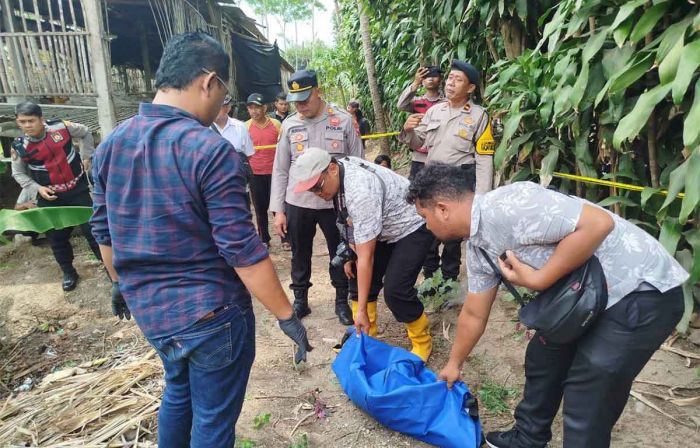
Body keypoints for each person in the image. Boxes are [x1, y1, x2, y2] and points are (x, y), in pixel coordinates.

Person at [90, 32, 311, 448]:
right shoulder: (210, 150)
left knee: (178, 391)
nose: (222, 102)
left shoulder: (111, 145)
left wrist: (119, 282)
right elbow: (241, 249)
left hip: (151, 313)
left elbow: (103, 232)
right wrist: (286, 316)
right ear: (209, 82)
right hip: (211, 314)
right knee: (212, 422)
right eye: (224, 91)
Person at [407, 163, 689, 448]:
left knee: (588, 391)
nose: (426, 226)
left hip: (640, 290)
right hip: (585, 298)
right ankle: (528, 438)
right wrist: (454, 364)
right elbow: (474, 312)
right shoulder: (479, 246)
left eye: (425, 216)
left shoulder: (512, 203)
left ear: (442, 209)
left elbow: (599, 224)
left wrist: (540, 278)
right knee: (544, 356)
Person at [294, 148, 435, 360]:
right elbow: (348, 218)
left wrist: (359, 310)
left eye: (318, 187)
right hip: (382, 228)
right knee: (355, 278)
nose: (317, 194)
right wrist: (350, 251)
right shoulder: (339, 173)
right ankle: (366, 338)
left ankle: (422, 341)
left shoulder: (361, 191)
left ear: (332, 169)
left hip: (411, 226)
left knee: (396, 291)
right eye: (311, 190)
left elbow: (366, 258)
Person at [270, 69, 364, 325]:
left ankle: (341, 300)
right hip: (298, 202)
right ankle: (300, 300)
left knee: (341, 251)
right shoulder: (289, 124)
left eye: (305, 98)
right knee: (300, 252)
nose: (300, 105)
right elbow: (280, 169)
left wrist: (355, 205)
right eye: (296, 100)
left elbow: (358, 162)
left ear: (318, 91)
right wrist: (278, 210)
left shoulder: (342, 121)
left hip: (335, 203)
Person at [400, 60, 496, 285]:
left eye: (458, 79)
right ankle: (430, 277)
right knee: (430, 229)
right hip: (432, 180)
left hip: (460, 181)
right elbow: (418, 142)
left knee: (454, 234)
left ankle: (450, 280)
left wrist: (481, 197)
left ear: (470, 88)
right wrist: (406, 131)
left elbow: (484, 158)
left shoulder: (480, 116)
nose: (451, 83)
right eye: (450, 78)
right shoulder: (434, 112)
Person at [11, 101, 102, 291]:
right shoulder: (20, 146)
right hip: (50, 195)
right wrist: (37, 188)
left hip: (77, 189)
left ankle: (111, 270)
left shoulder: (61, 127)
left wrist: (87, 155)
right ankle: (69, 272)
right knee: (56, 237)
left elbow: (85, 132)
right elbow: (18, 173)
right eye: (22, 122)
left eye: (31, 121)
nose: (27, 126)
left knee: (93, 231)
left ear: (41, 119)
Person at [245, 92, 287, 250]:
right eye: (250, 108)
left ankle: (285, 238)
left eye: (257, 107)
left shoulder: (276, 124)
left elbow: (284, 147)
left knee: (279, 206)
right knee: (260, 209)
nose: (254, 111)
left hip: (275, 173)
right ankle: (264, 239)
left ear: (265, 108)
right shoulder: (245, 127)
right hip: (255, 174)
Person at [396, 65, 445, 179]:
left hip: (441, 153)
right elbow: (401, 105)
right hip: (419, 154)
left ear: (440, 80)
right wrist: (415, 83)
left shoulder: (447, 103)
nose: (431, 79)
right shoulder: (417, 102)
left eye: (434, 76)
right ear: (422, 81)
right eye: (427, 77)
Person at [212, 95, 254, 184]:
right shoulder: (204, 128)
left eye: (218, 106)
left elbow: (247, 155)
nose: (214, 110)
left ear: (227, 108)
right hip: (214, 182)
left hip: (237, 180)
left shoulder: (240, 127)